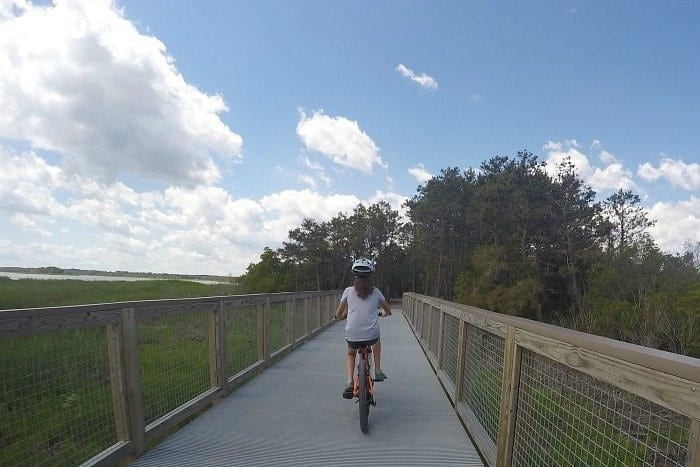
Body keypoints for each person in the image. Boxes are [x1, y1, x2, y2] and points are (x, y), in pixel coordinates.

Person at [334, 257, 392, 399]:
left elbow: (338, 314)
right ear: (370, 276)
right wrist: (384, 313)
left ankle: (349, 382)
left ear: (355, 276)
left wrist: (341, 317)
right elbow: (387, 310)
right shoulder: (376, 292)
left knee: (351, 353)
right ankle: (377, 370)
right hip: (371, 334)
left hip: (352, 334)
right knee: (377, 341)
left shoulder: (348, 291)